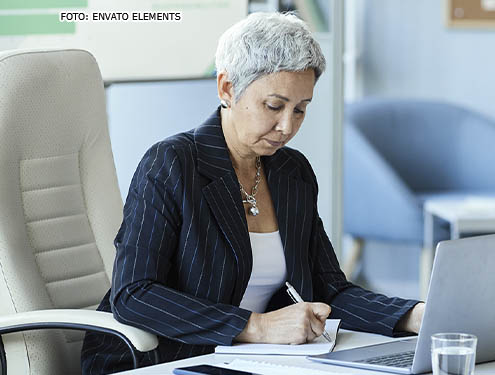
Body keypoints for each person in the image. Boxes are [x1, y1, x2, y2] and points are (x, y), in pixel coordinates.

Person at [81, 12, 425, 373]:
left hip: (256, 360)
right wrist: (257, 327)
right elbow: (133, 294)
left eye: (301, 110)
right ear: (227, 89)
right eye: (274, 106)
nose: (287, 126)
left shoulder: (293, 173)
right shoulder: (172, 164)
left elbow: (330, 289)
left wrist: (415, 316)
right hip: (160, 360)